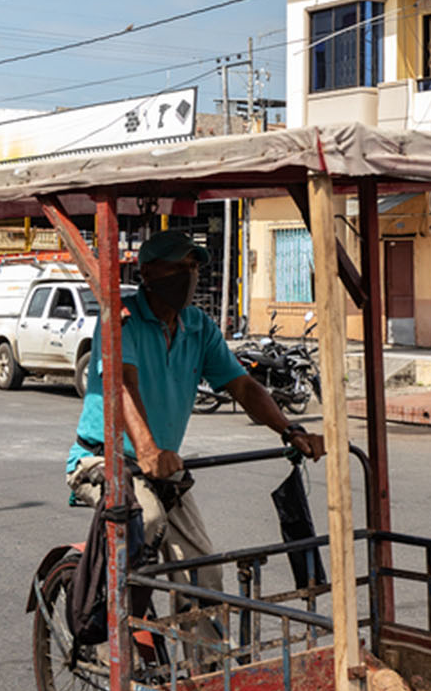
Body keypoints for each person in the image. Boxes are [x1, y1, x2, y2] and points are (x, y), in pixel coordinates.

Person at [65, 228, 324, 620]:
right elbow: (122, 385)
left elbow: (243, 386)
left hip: (162, 471)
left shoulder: (197, 327)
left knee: (205, 572)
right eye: (178, 266)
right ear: (149, 272)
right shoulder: (122, 321)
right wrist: (148, 449)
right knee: (146, 520)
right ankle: (106, 631)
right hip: (103, 461)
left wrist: (290, 430)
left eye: (193, 267)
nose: (188, 276)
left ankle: (204, 675)